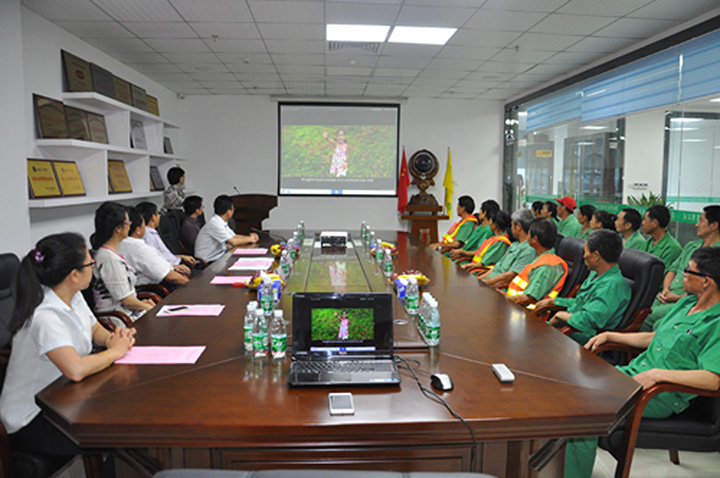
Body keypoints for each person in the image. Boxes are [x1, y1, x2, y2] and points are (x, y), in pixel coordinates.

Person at [564, 247, 720, 478]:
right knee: (568, 387)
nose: (682, 275)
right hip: (634, 375)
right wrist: (610, 335)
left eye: (688, 271)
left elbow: (713, 379)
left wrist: (657, 375)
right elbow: (654, 338)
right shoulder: (686, 304)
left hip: (661, 393)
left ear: (706, 282)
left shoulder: (716, 322)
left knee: (584, 410)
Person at [0, 233, 135, 477]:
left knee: (127, 417)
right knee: (126, 439)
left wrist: (113, 338)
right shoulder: (44, 316)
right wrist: (114, 353)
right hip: (32, 419)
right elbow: (75, 369)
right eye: (90, 262)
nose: (93, 265)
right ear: (74, 275)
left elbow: (94, 329)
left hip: (63, 400)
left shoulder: (72, 295)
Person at [536, 229, 631, 344]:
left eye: (585, 252)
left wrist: (561, 316)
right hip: (568, 328)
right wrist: (555, 301)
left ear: (596, 256)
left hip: (580, 337)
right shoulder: (596, 275)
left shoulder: (612, 286)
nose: (584, 256)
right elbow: (581, 303)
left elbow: (588, 319)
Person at [641, 205, 720, 332]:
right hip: (667, 294)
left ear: (714, 225)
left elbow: (708, 291)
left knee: (646, 317)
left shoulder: (716, 255)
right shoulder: (691, 246)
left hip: (688, 300)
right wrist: (666, 290)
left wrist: (676, 297)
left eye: (701, 221)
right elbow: (673, 268)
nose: (696, 225)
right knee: (638, 311)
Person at [91, 202, 155, 321]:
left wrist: (141, 303)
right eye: (128, 223)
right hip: (119, 319)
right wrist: (147, 307)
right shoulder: (109, 259)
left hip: (128, 312)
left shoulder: (111, 253)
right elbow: (126, 300)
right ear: (118, 229)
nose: (130, 226)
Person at [118, 207, 189, 288]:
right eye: (144, 223)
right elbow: (171, 277)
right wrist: (192, 285)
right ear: (138, 230)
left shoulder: (120, 244)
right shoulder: (141, 249)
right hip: (158, 287)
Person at [505, 218, 568, 307]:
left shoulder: (546, 267)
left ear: (535, 239)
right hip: (514, 304)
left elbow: (529, 298)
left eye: (528, 234)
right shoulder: (540, 258)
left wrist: (504, 298)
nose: (527, 237)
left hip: (527, 311)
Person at [478, 208, 537, 288]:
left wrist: (486, 282)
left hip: (499, 287)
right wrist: (479, 279)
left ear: (518, 227)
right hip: (490, 283)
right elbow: (497, 267)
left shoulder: (529, 250)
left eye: (512, 225)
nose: (511, 228)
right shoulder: (514, 245)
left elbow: (510, 275)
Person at [195, 194, 260, 263]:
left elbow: (234, 236)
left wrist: (250, 237)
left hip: (217, 257)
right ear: (228, 211)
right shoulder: (215, 224)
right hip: (207, 262)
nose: (233, 211)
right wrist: (250, 239)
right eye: (233, 209)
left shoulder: (219, 221)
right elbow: (233, 241)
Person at [136, 201, 195, 273]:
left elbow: (163, 255)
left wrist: (181, 256)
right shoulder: (148, 236)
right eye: (158, 214)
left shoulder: (152, 233)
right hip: (173, 270)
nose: (159, 216)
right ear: (153, 217)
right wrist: (174, 267)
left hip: (176, 264)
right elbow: (155, 262)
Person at [640, 204, 682, 273]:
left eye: (645, 219)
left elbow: (660, 274)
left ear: (654, 223)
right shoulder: (648, 243)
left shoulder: (672, 248)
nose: (642, 223)